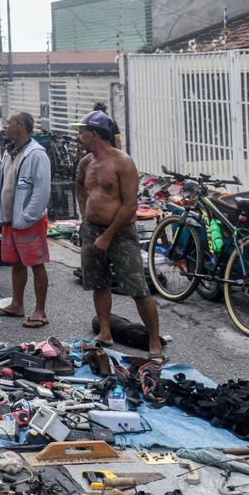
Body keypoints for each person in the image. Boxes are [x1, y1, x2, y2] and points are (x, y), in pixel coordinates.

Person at [74, 110, 164, 359]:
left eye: (81, 131)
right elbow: (79, 185)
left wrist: (108, 235)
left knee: (137, 287)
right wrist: (84, 217)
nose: (78, 136)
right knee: (98, 282)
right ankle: (105, 332)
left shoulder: (123, 162)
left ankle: (154, 341)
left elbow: (129, 206)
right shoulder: (86, 162)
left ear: (94, 134)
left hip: (121, 231)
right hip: (92, 229)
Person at [0, 112, 51, 329]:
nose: (5, 127)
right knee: (16, 262)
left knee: (36, 264)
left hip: (28, 220)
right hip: (10, 219)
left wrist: (27, 216)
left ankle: (40, 310)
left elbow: (42, 190)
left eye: (9, 123)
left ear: (21, 126)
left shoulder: (37, 154)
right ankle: (17, 304)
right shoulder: (10, 152)